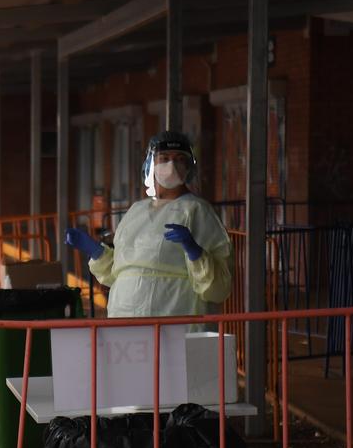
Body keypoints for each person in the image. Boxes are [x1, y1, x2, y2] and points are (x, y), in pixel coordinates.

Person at [65, 130, 232, 318]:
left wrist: (195, 251)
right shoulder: (137, 211)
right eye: (164, 158)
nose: (172, 165)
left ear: (189, 167)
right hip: (124, 319)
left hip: (175, 321)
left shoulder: (197, 211)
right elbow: (119, 271)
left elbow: (218, 288)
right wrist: (96, 252)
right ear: (150, 165)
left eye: (179, 159)